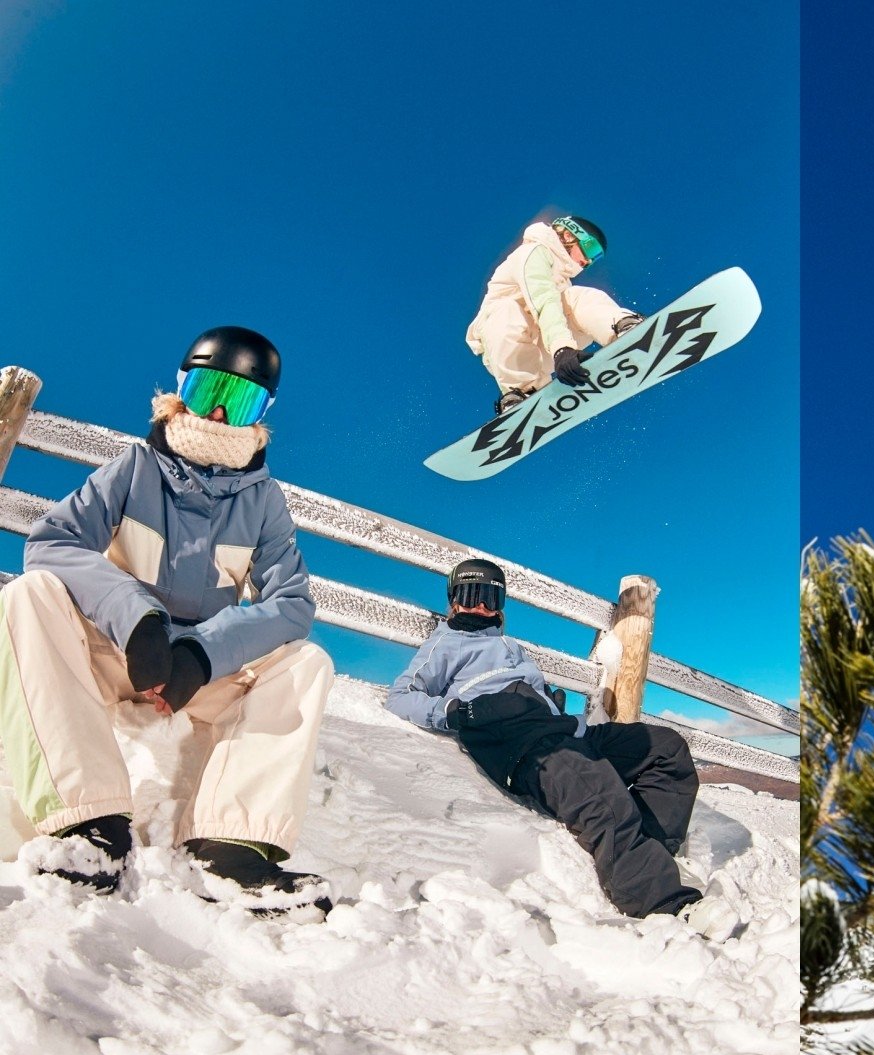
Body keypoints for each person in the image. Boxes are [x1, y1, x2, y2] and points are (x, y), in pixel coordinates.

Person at [0, 326, 335, 916]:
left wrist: (205, 652)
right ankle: (87, 826)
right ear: (182, 389)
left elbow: (292, 603)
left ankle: (229, 847)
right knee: (30, 595)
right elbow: (53, 544)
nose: (223, 410)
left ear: (264, 415)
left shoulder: (264, 502)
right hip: (115, 651)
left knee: (306, 662)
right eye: (209, 389)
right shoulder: (133, 469)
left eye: (245, 399)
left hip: (194, 674)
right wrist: (137, 619)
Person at [385, 559, 739, 940]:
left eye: (490, 597)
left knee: (666, 749)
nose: (481, 607)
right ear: (454, 601)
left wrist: (580, 726)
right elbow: (401, 697)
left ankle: (652, 851)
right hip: (523, 746)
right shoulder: (445, 643)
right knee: (597, 789)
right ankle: (667, 902)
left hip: (565, 732)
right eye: (472, 596)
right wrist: (457, 712)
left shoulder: (510, 646)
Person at [464, 214, 645, 415]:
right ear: (568, 235)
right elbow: (543, 300)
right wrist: (562, 349)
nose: (587, 261)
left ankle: (623, 327)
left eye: (595, 258)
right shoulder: (533, 252)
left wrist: (562, 348)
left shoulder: (562, 280)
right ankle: (523, 391)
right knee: (506, 312)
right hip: (507, 348)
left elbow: (556, 309)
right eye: (590, 249)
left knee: (577, 297)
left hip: (547, 343)